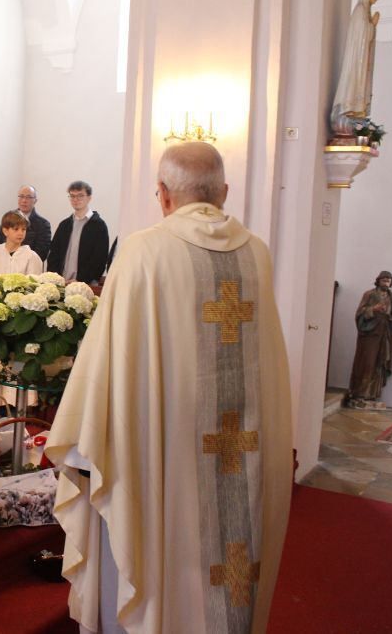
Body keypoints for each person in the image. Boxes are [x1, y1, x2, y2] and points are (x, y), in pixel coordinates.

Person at [45, 142, 292, 633]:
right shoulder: (257, 254)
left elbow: (106, 365)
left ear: (162, 194)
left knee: (151, 549)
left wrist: (80, 443)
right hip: (242, 447)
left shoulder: (143, 251)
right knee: (232, 562)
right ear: (224, 192)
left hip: (161, 453)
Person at [330, 0, 387, 135]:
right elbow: (361, 35)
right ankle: (348, 109)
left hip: (362, 58)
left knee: (360, 83)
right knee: (353, 81)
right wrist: (372, 25)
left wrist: (372, 25)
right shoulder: (360, 10)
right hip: (356, 58)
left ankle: (356, 112)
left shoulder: (365, 11)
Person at [345, 271, 392, 408]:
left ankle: (372, 395)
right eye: (384, 279)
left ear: (391, 283)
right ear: (378, 280)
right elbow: (359, 314)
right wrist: (374, 309)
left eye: (388, 280)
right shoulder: (369, 294)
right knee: (367, 363)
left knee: (379, 364)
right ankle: (359, 394)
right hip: (369, 335)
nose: (386, 282)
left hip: (384, 335)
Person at [47, 181, 109, 284]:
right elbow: (54, 254)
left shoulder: (99, 226)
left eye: (80, 196)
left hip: (85, 283)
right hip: (62, 282)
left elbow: (99, 259)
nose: (76, 199)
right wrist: (56, 278)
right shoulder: (64, 225)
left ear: (89, 198)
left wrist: (80, 279)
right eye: (72, 196)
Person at [0, 184, 52, 261]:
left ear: (35, 201)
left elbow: (41, 254)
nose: (24, 200)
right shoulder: (8, 218)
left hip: (29, 265)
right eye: (21, 196)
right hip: (4, 262)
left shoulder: (43, 224)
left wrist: (18, 262)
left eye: (28, 197)